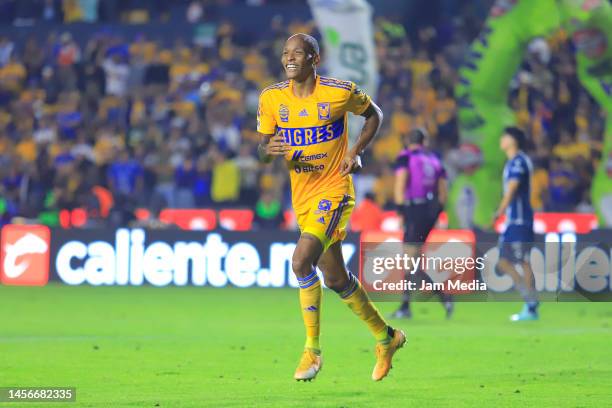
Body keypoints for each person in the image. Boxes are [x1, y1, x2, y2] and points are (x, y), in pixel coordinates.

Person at [257, 33, 405, 382]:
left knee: (300, 261)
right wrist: (269, 150)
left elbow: (374, 115)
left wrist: (355, 152)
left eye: (298, 53)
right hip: (303, 196)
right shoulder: (271, 98)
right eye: (285, 53)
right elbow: (263, 150)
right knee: (336, 278)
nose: (289, 59)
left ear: (314, 59)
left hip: (335, 190)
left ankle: (312, 350)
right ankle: (387, 337)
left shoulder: (338, 92)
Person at [391, 128, 451, 319]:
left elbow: (401, 183)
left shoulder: (405, 156)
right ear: (424, 141)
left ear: (409, 141)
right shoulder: (434, 160)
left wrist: (400, 212)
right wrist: (436, 212)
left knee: (410, 260)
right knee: (413, 261)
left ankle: (408, 306)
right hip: (430, 210)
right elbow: (443, 191)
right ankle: (440, 298)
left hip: (413, 209)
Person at [493, 126, 539, 321]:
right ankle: (530, 299)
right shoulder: (512, 162)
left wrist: (499, 211)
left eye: (504, 136)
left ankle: (531, 306)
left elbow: (512, 189)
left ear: (513, 140)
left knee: (523, 261)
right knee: (503, 262)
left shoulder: (519, 162)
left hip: (520, 220)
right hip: (513, 221)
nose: (501, 139)